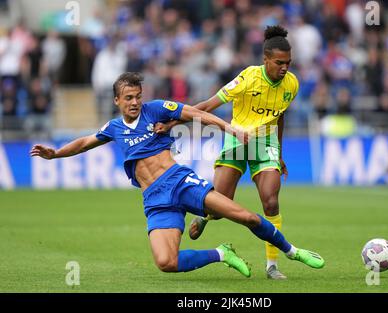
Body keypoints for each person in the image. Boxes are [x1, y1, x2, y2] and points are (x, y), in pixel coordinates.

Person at [30, 72, 325, 278]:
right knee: (166, 262)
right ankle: (222, 254)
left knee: (246, 217)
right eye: (129, 98)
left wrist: (228, 127)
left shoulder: (156, 109)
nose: (135, 102)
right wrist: (56, 154)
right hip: (155, 199)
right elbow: (84, 142)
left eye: (137, 96)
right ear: (117, 101)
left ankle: (290, 251)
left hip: (180, 182)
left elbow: (197, 114)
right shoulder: (113, 128)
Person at [156, 25, 304, 279]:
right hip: (236, 141)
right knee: (220, 204)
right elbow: (207, 106)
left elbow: (280, 117)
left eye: (288, 62)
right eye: (279, 62)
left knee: (270, 200)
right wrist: (174, 123)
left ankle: (272, 266)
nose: (284, 67)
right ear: (265, 59)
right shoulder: (247, 78)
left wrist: (278, 152)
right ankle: (205, 218)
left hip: (264, 144)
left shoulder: (292, 84)